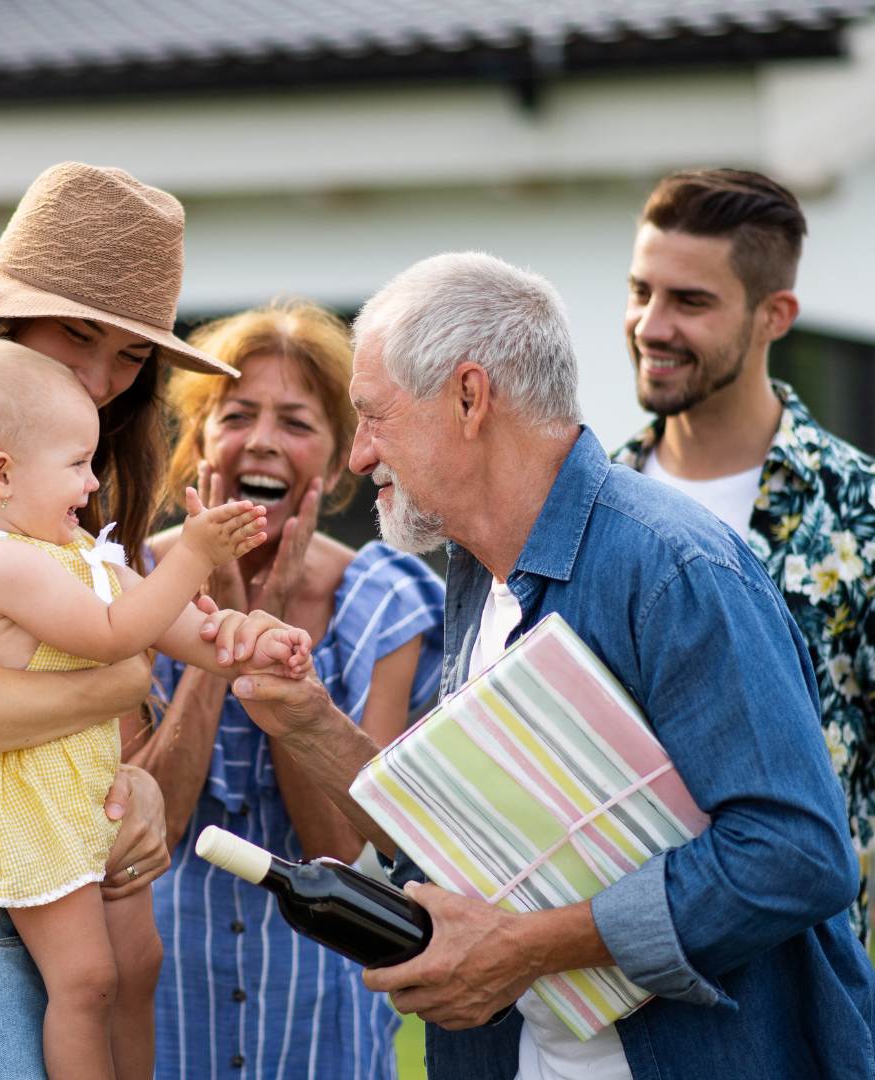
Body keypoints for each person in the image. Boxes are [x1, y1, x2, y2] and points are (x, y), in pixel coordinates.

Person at [226, 253, 875, 1079]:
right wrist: (308, 720)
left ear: (470, 397)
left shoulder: (675, 569)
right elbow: (465, 841)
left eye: (373, 416)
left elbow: (796, 854)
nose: (358, 456)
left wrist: (522, 948)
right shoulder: (475, 571)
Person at [0, 161, 299, 1080]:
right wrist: (115, 682)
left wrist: (131, 782)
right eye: (77, 335)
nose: (102, 379)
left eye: (132, 356)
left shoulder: (50, 494)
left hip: (33, 867)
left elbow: (57, 705)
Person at [0, 338, 310, 1080]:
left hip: (77, 790)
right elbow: (116, 633)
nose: (91, 481)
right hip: (24, 804)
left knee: (138, 961)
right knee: (86, 980)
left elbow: (176, 626)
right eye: (77, 463)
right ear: (1, 475)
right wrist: (193, 555)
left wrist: (244, 641)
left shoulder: (68, 547)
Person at [128, 299, 445, 1079]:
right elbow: (149, 833)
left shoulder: (387, 600)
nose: (263, 440)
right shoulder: (126, 584)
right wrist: (223, 641)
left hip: (319, 1009)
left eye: (297, 422)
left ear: (336, 463)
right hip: (164, 994)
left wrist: (270, 643)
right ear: (199, 447)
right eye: (237, 416)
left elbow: (340, 847)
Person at [612, 167, 875, 941]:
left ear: (774, 315)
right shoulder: (590, 506)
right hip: (604, 969)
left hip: (801, 980)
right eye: (641, 291)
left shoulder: (859, 514)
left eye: (690, 302)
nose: (650, 325)